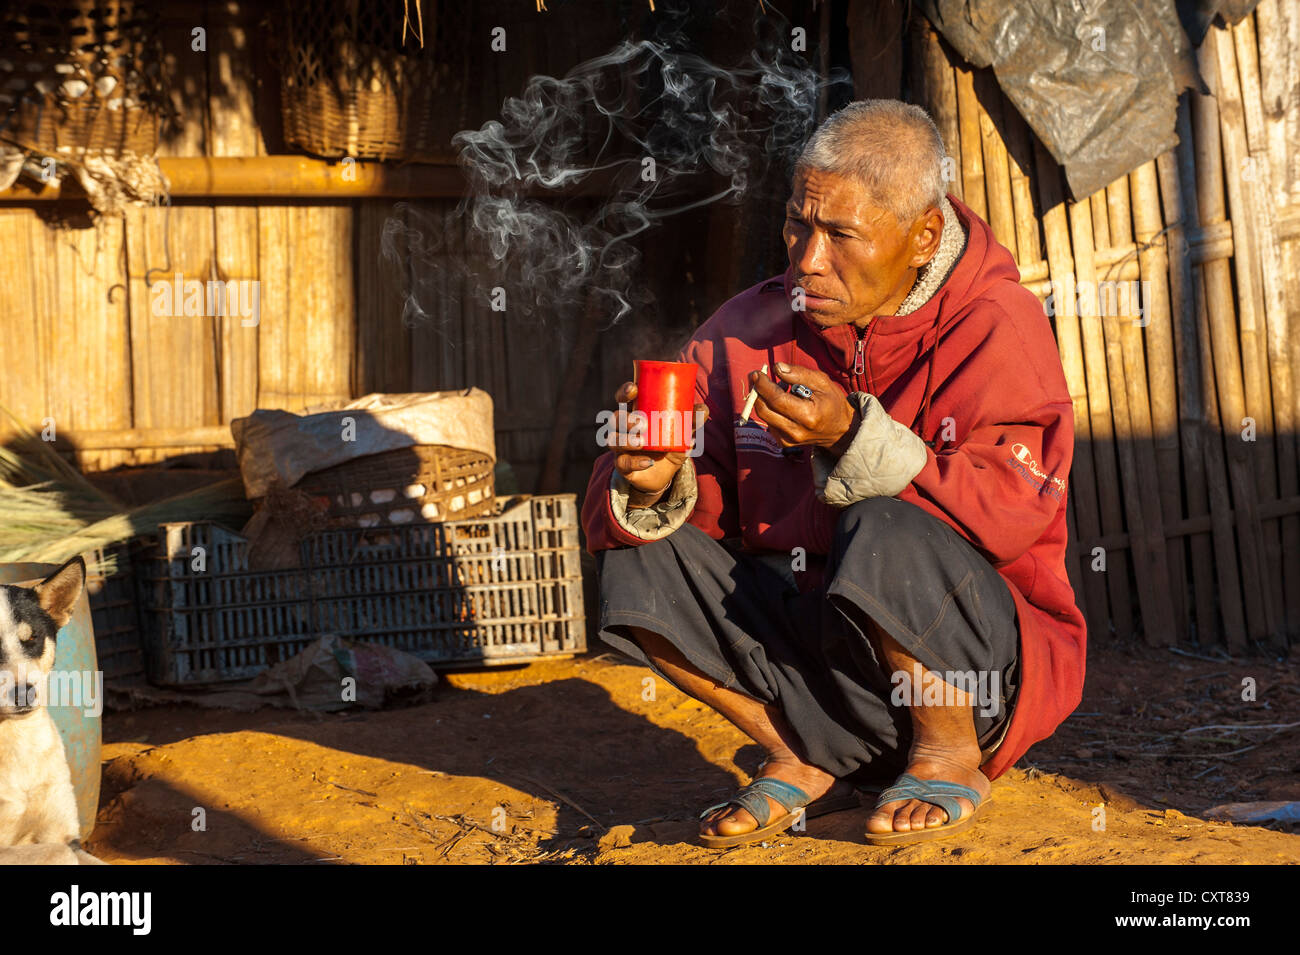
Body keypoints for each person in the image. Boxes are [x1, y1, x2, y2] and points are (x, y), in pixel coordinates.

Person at [581, 98, 1085, 847]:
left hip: (973, 675)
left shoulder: (995, 324)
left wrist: (856, 436)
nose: (807, 258)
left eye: (840, 234)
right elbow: (685, 518)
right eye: (797, 223)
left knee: (882, 518)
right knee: (638, 548)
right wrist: (652, 484)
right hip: (818, 680)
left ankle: (946, 753)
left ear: (924, 236)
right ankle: (795, 750)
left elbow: (1014, 513)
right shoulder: (742, 334)